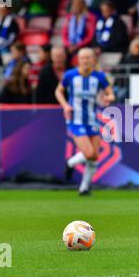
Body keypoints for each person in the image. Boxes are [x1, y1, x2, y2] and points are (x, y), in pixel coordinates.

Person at [55, 48, 115, 195]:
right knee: (88, 153)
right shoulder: (70, 75)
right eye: (83, 58)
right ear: (78, 60)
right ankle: (70, 163)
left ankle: (84, 188)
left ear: (93, 60)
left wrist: (108, 98)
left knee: (94, 156)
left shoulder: (99, 77)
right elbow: (58, 91)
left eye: (88, 58)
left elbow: (111, 94)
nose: (86, 61)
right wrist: (65, 105)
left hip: (92, 120)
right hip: (76, 120)